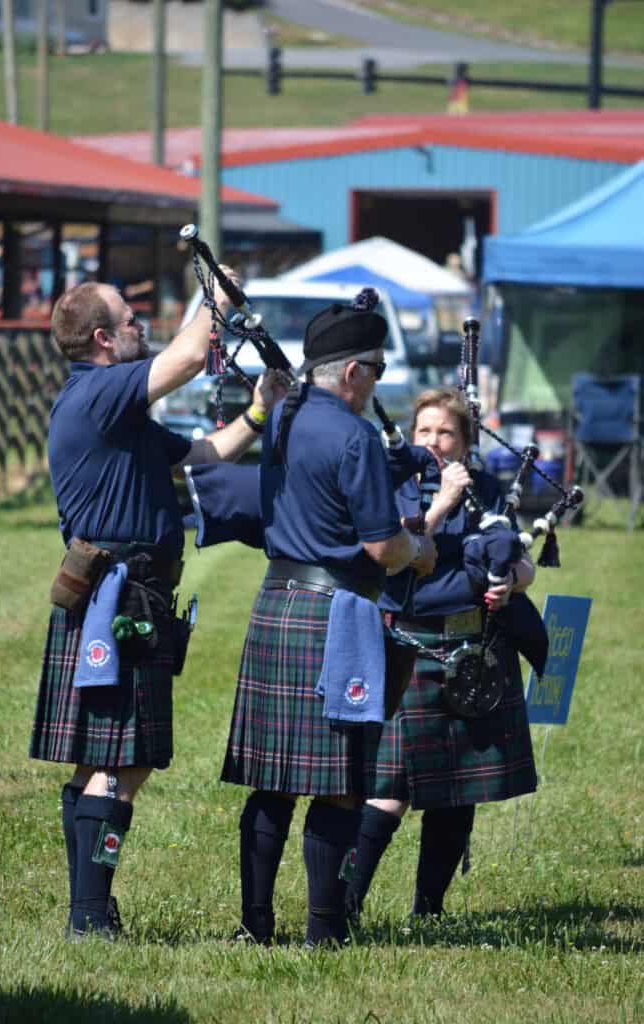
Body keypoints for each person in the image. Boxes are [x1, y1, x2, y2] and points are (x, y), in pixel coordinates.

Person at [30, 277, 280, 939]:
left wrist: (258, 411)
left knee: (102, 763)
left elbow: (205, 455)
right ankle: (89, 915)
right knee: (122, 762)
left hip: (131, 597)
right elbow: (192, 356)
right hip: (118, 598)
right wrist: (218, 294)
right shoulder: (99, 390)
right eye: (132, 318)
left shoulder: (122, 412)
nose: (144, 326)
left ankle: (91, 907)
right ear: (105, 337)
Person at [220, 292, 437, 948]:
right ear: (351, 373)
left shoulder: (281, 417)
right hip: (338, 613)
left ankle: (254, 925)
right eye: (372, 370)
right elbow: (381, 547)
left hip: (277, 602)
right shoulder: (353, 434)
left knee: (270, 780)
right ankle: (324, 933)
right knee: (340, 783)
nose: (374, 384)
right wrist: (419, 553)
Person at [346, 387, 538, 924]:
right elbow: (395, 561)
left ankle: (428, 910)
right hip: (410, 647)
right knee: (389, 790)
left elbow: (521, 561)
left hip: (475, 650)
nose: (433, 441)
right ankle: (344, 904)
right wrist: (440, 503)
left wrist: (512, 584)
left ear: (465, 440)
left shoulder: (491, 489)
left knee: (457, 792)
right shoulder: (393, 487)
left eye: (446, 432)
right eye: (425, 431)